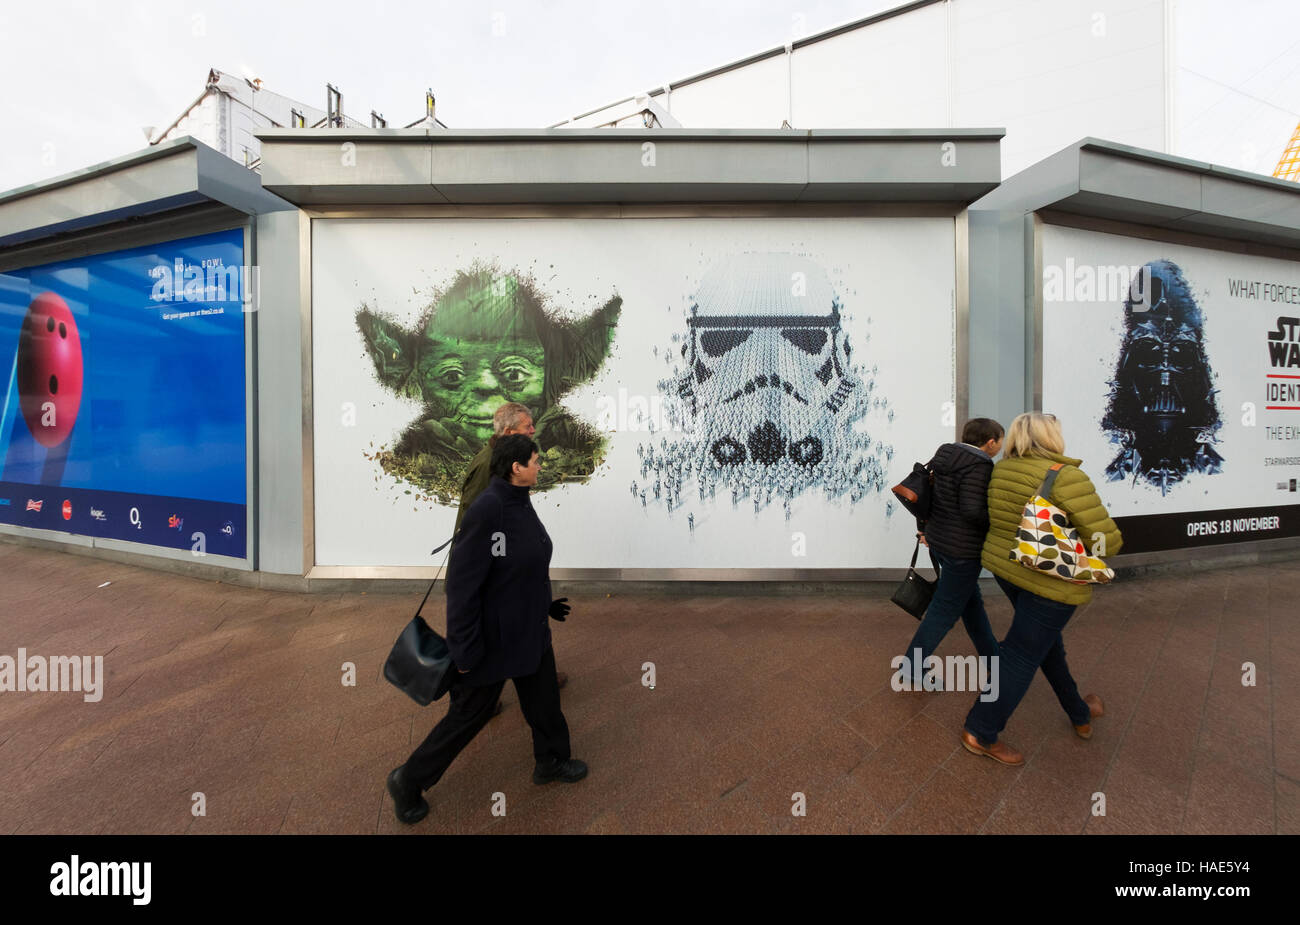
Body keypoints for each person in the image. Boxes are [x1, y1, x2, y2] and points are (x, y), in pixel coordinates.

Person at [387, 435, 587, 825]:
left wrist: (544, 605)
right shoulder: (489, 510)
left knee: (544, 701)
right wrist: (463, 650)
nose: (539, 465)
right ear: (516, 468)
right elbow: (463, 587)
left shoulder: (518, 502)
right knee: (469, 717)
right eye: (535, 460)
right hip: (493, 641)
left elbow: (518, 567)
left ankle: (551, 761)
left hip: (528, 631)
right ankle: (407, 780)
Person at [961, 412, 1122, 766]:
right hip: (1050, 581)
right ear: (1051, 437)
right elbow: (1106, 541)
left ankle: (1079, 711)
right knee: (1021, 654)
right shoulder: (1067, 477)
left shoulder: (1001, 470)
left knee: (1046, 646)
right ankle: (981, 730)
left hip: (1009, 571)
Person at [455, 402, 568, 707]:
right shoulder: (489, 466)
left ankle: (538, 675)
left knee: (522, 626)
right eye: (527, 426)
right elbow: (476, 520)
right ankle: (470, 700)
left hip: (510, 570)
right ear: (508, 432)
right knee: (491, 632)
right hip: (489, 571)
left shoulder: (511, 463)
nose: (533, 430)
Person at [898, 417, 1004, 688]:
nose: (1001, 446)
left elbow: (927, 493)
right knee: (944, 611)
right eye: (1000, 441)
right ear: (990, 442)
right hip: (963, 550)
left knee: (971, 606)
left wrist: (925, 528)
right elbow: (971, 510)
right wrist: (998, 520)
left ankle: (994, 659)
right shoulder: (980, 465)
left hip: (941, 541)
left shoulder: (946, 453)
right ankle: (912, 668)